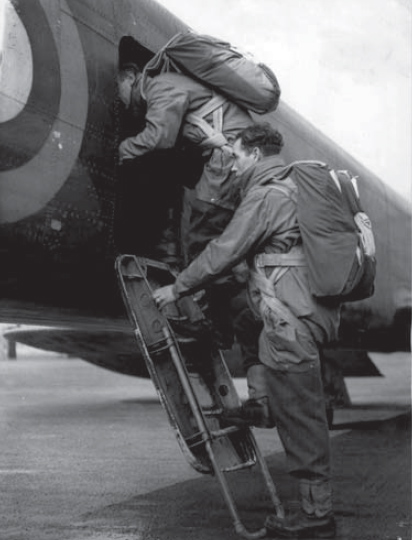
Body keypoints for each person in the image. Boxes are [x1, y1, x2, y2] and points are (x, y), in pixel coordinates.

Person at [153, 122, 341, 539]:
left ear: (255, 154)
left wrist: (178, 286)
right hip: (300, 315)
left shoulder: (267, 196)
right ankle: (264, 404)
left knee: (302, 418)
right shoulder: (292, 187)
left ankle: (316, 517)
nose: (234, 164)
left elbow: (224, 251)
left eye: (237, 155)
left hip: (290, 323)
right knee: (245, 318)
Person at [116, 38, 254, 346]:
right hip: (229, 158)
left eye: (118, 89)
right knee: (203, 233)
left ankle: (215, 325)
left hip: (228, 159)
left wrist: (123, 149)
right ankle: (218, 323)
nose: (120, 99)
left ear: (129, 77)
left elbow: (159, 137)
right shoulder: (167, 86)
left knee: (200, 236)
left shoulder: (160, 87)